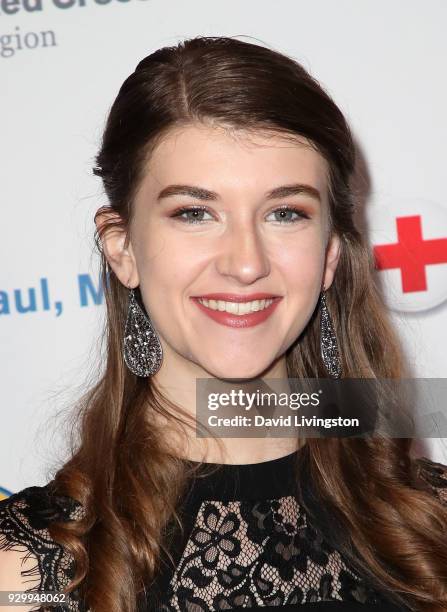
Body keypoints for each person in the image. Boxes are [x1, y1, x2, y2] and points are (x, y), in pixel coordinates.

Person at [1, 35, 447, 612]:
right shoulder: (29, 572)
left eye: (286, 213)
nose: (245, 263)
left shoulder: (433, 529)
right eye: (195, 213)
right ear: (122, 248)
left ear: (330, 254)